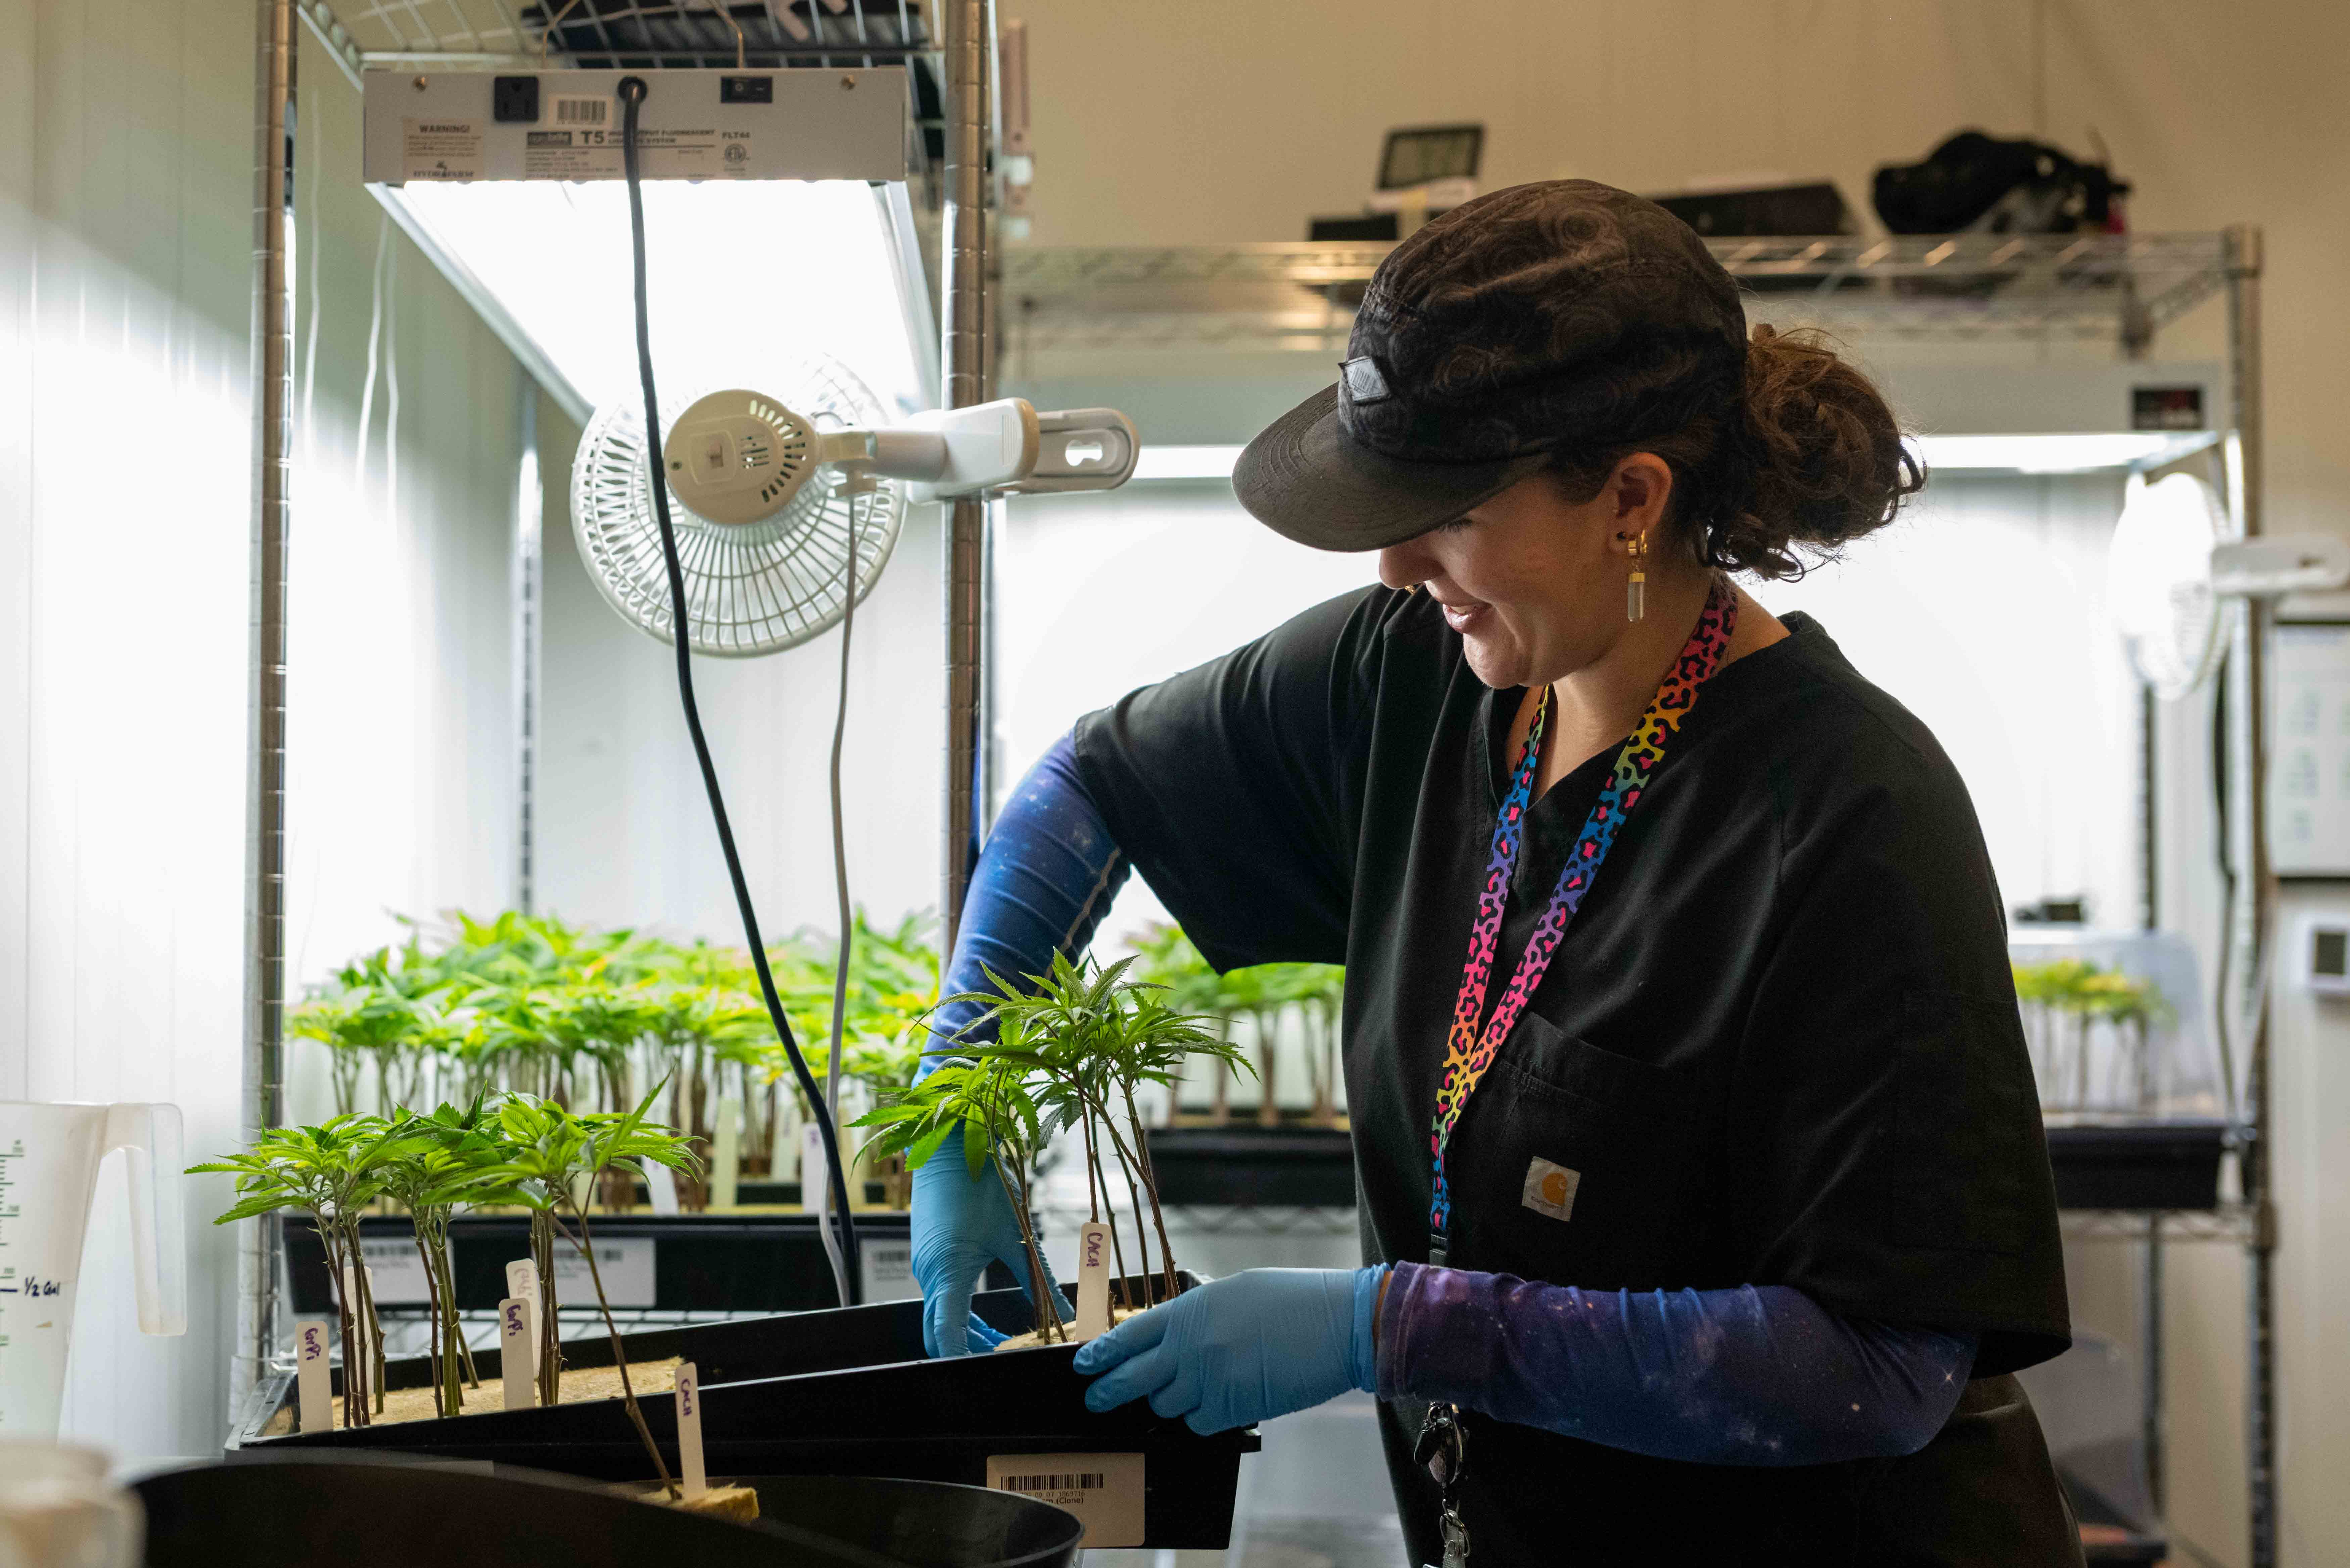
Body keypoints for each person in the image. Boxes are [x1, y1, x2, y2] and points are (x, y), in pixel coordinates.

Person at [910, 180, 2080, 1564]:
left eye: (1444, 511)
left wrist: (1386, 1327)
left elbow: (1875, 1369)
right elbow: (1089, 782)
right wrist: (961, 1099)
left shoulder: (1850, 811)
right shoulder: (1409, 676)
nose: (1399, 562)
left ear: (1631, 499)